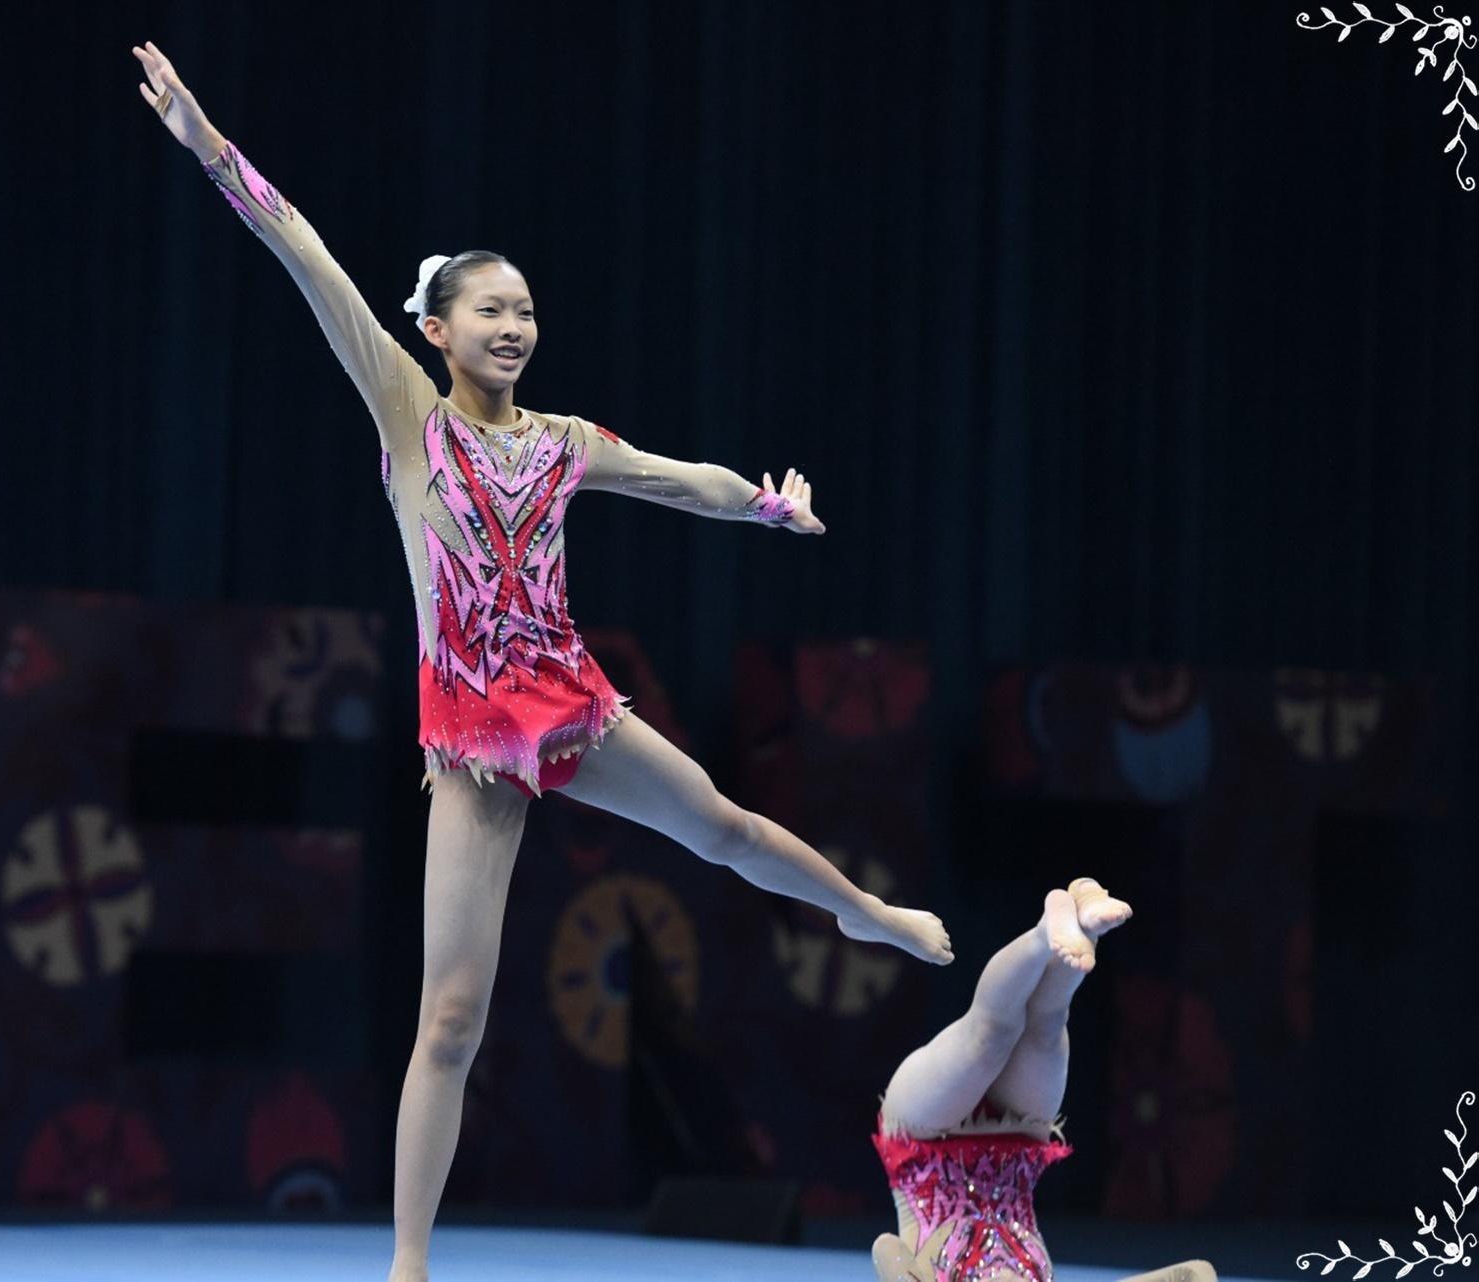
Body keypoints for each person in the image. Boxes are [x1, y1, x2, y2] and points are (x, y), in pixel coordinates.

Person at [131, 41, 955, 1281]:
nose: (513, 326)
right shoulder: (410, 413)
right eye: (489, 311)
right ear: (436, 329)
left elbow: (679, 479)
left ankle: (867, 912)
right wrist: (207, 147)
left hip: (571, 705)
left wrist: (767, 507)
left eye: (523, 310)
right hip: (471, 742)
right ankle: (410, 1263)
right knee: (451, 1016)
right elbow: (306, 255)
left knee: (726, 826)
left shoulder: (564, 441)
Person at [869, 878, 1211, 1282]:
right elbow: (1197, 1274)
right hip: (1016, 1144)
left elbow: (885, 1247)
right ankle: (1080, 920)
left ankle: (1044, 933)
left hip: (921, 1146)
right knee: (1047, 1025)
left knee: (989, 1036)